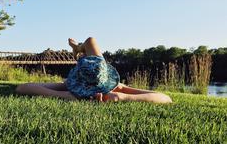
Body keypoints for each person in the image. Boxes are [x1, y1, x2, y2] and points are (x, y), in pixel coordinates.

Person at [16, 37, 172, 103]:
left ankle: (78, 50)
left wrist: (63, 95)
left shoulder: (70, 88)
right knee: (90, 41)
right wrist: (122, 96)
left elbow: (22, 88)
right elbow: (165, 98)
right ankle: (78, 50)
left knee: (90, 41)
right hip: (86, 80)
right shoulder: (116, 87)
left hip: (75, 85)